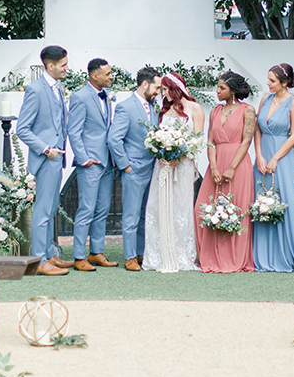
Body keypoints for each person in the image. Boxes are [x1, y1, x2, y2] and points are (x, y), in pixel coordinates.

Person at [252, 63, 294, 272]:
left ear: (285, 82)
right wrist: (260, 155)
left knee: (281, 199)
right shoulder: (265, 99)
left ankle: (286, 254)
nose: (268, 83)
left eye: (272, 80)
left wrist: (275, 159)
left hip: (281, 157)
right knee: (261, 200)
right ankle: (262, 255)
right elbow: (257, 129)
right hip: (263, 156)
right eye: (268, 79)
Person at [16, 45, 74, 276]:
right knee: (42, 211)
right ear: (50, 66)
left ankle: (50, 254)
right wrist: (46, 149)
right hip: (47, 157)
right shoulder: (36, 90)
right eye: (63, 65)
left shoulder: (56, 87)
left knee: (50, 209)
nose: (66, 68)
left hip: (57, 158)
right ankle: (39, 260)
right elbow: (22, 129)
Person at [195, 71, 256, 273]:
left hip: (238, 164)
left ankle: (235, 257)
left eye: (222, 88)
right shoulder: (215, 111)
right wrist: (213, 166)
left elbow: (246, 141)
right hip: (216, 163)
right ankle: (210, 255)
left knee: (236, 208)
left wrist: (231, 167)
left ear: (233, 90)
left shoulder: (248, 110)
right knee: (202, 209)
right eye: (218, 87)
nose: (217, 91)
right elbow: (210, 142)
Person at [144, 72, 204, 273]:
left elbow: (198, 139)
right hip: (162, 166)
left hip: (183, 166)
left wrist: (180, 156)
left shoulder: (195, 108)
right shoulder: (165, 109)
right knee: (156, 206)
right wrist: (159, 151)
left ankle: (181, 254)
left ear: (175, 88)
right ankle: (156, 255)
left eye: (165, 89)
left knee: (180, 208)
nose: (163, 93)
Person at [108, 67, 162, 272]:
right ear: (145, 84)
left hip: (152, 168)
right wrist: (126, 166)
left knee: (144, 214)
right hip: (134, 169)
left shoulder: (154, 106)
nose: (158, 92)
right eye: (156, 87)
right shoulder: (125, 107)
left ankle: (141, 253)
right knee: (130, 215)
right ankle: (130, 256)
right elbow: (114, 139)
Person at [67, 58, 119, 271]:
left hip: (107, 161)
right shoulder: (80, 97)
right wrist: (84, 158)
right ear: (94, 75)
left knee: (102, 209)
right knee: (86, 209)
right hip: (90, 163)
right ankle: (79, 257)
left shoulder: (106, 96)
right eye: (107, 74)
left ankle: (96, 252)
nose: (111, 77)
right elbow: (74, 131)